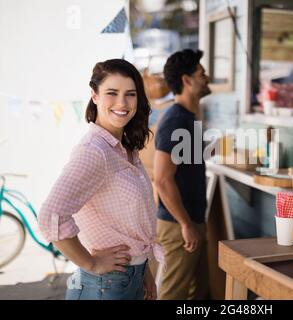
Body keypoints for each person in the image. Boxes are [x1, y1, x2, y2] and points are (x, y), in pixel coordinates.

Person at [38, 59, 163, 300]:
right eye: (111, 93)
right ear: (94, 95)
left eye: (130, 94)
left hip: (130, 278)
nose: (122, 103)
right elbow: (51, 216)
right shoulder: (95, 152)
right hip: (105, 285)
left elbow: (130, 225)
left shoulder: (125, 149)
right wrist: (91, 263)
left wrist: (144, 270)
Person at [153, 49, 211, 300]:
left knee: (198, 293)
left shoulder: (189, 118)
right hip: (179, 225)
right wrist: (186, 224)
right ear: (187, 81)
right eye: (201, 72)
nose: (207, 77)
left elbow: (187, 161)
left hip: (191, 221)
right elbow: (163, 180)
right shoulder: (176, 120)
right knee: (172, 295)